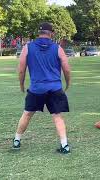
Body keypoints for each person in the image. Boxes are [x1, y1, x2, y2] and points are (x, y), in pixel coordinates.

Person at [12, 22, 71, 154]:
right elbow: (66, 69)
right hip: (55, 88)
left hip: (36, 89)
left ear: (39, 33)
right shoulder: (58, 48)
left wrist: (21, 84)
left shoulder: (28, 47)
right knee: (57, 116)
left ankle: (17, 140)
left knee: (27, 114)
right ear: (51, 33)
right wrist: (67, 83)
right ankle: (65, 145)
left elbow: (21, 70)